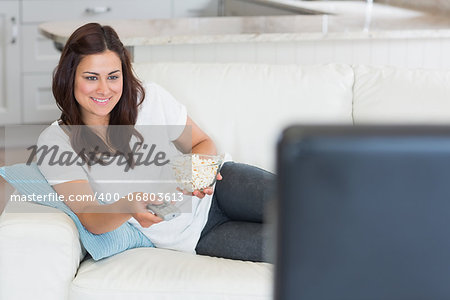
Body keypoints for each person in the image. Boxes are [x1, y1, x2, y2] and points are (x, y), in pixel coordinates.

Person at [36, 23, 275, 262]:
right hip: (196, 235)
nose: (104, 89)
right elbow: (89, 215)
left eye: (113, 77)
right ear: (69, 77)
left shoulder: (148, 99)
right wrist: (127, 206)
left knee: (307, 204)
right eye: (91, 77)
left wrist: (196, 172)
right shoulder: (55, 142)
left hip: (224, 188)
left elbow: (202, 142)